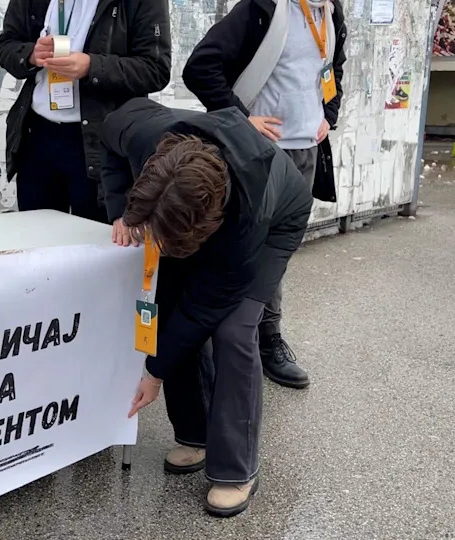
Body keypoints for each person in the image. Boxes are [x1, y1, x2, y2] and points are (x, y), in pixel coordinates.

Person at [103, 98, 312, 517]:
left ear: (207, 226)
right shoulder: (144, 136)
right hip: (188, 203)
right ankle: (194, 434)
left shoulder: (243, 228)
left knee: (233, 329)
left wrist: (153, 372)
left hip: (277, 221)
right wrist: (125, 213)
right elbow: (109, 135)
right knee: (169, 299)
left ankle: (235, 469)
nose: (157, 247)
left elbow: (201, 309)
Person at [182, 0, 348, 390]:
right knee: (243, 248)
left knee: (278, 253)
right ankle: (231, 339)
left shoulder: (331, 11)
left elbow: (333, 68)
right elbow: (199, 67)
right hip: (262, 155)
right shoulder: (263, 9)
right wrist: (240, 120)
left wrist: (329, 114)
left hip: (306, 151)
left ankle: (265, 337)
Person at [0, 0, 171, 223]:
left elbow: (156, 69)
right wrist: (30, 54)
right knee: (37, 242)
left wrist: (92, 66)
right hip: (37, 136)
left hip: (102, 144)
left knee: (97, 244)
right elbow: (7, 45)